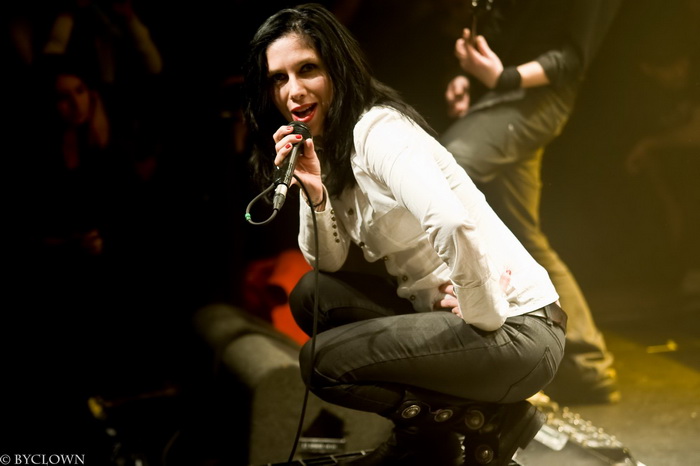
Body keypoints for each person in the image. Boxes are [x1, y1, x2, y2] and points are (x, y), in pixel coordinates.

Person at [243, 4, 567, 465]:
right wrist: (313, 191)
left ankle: (488, 420)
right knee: (312, 297)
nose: (293, 90)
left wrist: (481, 309)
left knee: (321, 362)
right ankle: (430, 443)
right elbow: (325, 262)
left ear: (337, 69)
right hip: (458, 320)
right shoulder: (331, 148)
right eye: (279, 78)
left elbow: (452, 223)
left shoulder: (378, 131)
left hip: (519, 330)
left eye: (307, 69)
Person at [439, 0, 622, 405]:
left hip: (537, 100)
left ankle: (483, 354)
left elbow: (573, 58)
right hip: (503, 95)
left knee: (446, 170)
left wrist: (502, 77)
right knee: (524, 235)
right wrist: (467, 75)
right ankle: (588, 365)